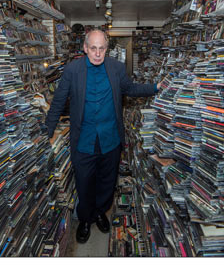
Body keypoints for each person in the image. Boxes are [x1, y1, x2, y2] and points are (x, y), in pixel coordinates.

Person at [45, 24, 157, 244]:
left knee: (107, 182)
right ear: (85, 48)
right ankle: (85, 218)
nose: (98, 53)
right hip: (84, 141)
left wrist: (156, 87)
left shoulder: (116, 68)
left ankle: (99, 212)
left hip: (110, 139)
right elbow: (58, 102)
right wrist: (47, 132)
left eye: (102, 48)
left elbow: (131, 89)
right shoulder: (72, 71)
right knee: (84, 182)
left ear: (107, 48)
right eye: (93, 48)